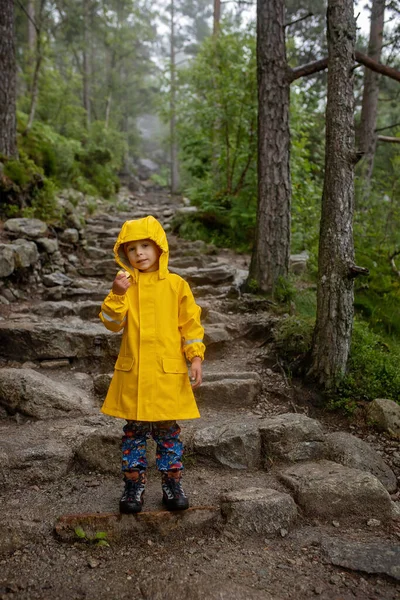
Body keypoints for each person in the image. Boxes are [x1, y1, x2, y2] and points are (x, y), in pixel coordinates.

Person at [99, 215, 205, 515]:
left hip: (166, 374)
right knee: (133, 432)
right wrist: (117, 295)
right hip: (134, 373)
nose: (139, 253)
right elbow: (111, 323)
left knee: (168, 432)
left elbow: (191, 325)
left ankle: (172, 483)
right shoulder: (125, 286)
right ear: (124, 254)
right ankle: (133, 484)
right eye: (132, 249)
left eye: (146, 245)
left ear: (160, 248)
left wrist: (195, 357)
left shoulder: (176, 285)